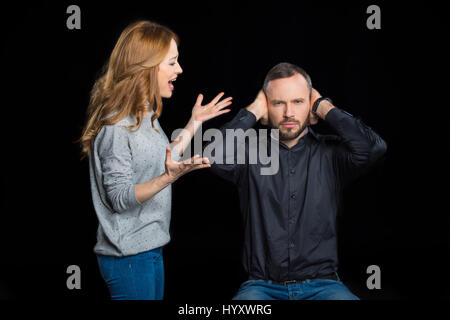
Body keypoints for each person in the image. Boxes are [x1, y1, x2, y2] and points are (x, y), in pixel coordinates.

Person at [78, 20, 232, 300]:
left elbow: (164, 158)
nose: (180, 69)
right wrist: (169, 178)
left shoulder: (144, 112)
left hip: (149, 249)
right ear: (147, 68)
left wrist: (194, 123)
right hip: (128, 257)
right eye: (172, 62)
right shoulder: (116, 126)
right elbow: (120, 198)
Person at [207, 62, 387, 300]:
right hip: (261, 287)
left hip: (324, 286)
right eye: (278, 103)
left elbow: (374, 148)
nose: (288, 113)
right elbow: (212, 156)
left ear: (311, 110)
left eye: (298, 102)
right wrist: (252, 110)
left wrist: (325, 107)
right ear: (266, 111)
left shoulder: (331, 154)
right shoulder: (249, 153)